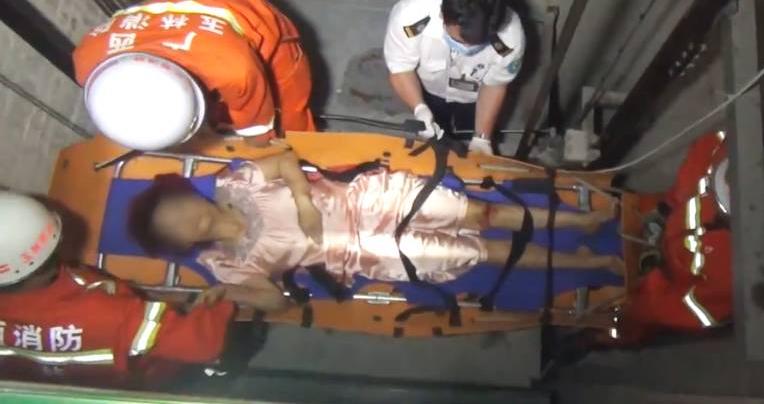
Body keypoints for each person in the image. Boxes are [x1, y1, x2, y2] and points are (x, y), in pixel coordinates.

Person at [128, 151, 619, 312]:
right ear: (181, 244)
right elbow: (276, 301)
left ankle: (583, 221)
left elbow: (283, 159)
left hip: (369, 200)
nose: (185, 219)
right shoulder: (226, 266)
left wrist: (304, 200)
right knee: (483, 253)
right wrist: (226, 295)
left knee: (480, 215)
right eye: (174, 228)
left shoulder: (235, 183)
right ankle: (586, 262)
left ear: (185, 194)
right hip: (367, 250)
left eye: (176, 208)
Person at [0, 190, 238, 388]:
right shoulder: (106, 314)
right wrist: (215, 305)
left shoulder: (93, 304)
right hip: (158, 383)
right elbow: (203, 344)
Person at [621, 131, 764, 340]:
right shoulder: (716, 152)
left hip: (664, 279)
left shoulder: (734, 275)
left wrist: (637, 303)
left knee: (627, 323)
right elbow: (691, 173)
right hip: (663, 227)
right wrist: (664, 210)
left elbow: (679, 309)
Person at [73, 0, 316, 152]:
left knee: (289, 114)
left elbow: (259, 137)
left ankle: (320, 162)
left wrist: (266, 150)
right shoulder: (87, 59)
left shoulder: (232, 68)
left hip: (246, 12)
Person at [384, 0, 525, 155]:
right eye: (459, 41)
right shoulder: (410, 15)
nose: (466, 49)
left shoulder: (510, 37)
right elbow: (400, 67)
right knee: (436, 133)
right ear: (443, 15)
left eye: (476, 44)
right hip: (430, 88)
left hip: (475, 97)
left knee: (469, 132)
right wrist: (419, 108)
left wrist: (482, 138)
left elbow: (495, 85)